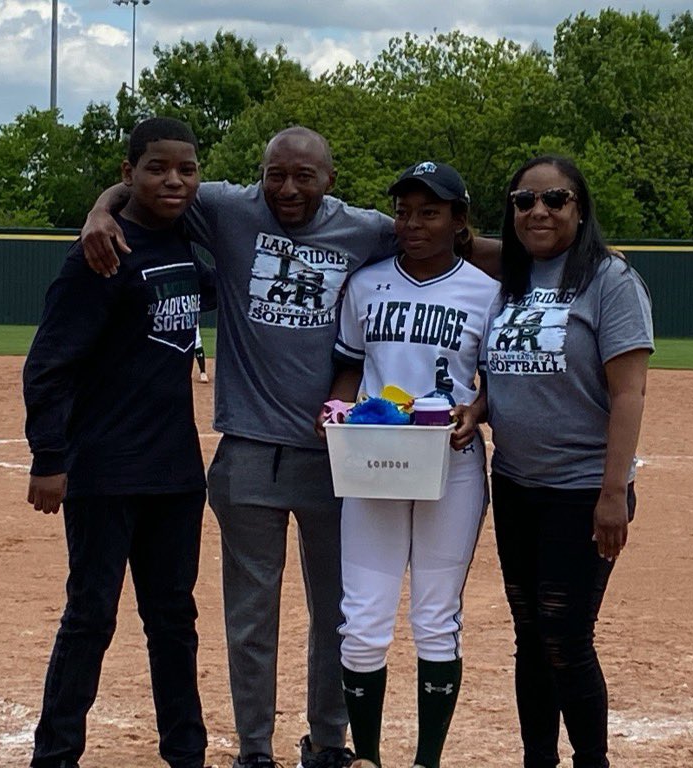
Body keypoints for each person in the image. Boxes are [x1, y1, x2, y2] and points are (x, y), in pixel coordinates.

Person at [81, 126, 501, 768]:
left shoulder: (365, 229)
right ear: (260, 173)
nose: (288, 188)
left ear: (329, 179)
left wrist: (553, 251)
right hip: (249, 449)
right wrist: (99, 209)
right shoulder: (226, 208)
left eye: (304, 176)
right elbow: (151, 186)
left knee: (338, 611)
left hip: (340, 453)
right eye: (275, 174)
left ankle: (329, 743)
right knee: (251, 619)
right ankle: (255, 749)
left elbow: (448, 241)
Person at [22, 117, 215, 768]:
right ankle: (55, 755)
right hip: (104, 470)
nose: (173, 179)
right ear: (128, 171)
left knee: (174, 623)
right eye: (157, 167)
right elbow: (49, 364)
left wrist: (101, 205)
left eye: (186, 169)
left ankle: (186, 754)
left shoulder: (189, 241)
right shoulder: (100, 253)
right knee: (90, 618)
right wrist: (50, 458)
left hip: (176, 473)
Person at [317, 161, 500, 768]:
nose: (412, 223)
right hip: (374, 458)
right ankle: (366, 756)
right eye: (403, 211)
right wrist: (339, 406)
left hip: (452, 460)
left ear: (457, 220)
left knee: (435, 616)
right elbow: (349, 363)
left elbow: (499, 382)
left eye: (429, 212)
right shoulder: (366, 283)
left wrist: (478, 409)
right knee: (364, 620)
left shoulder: (485, 291)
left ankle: (426, 761)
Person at [483, 155, 653, 768]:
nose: (539, 212)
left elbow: (628, 393)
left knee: (564, 639)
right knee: (530, 639)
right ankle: (538, 761)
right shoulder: (514, 278)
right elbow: (503, 366)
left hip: (582, 489)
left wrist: (613, 492)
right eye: (524, 200)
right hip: (516, 484)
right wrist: (481, 405)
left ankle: (591, 761)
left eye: (555, 200)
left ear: (580, 210)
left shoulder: (610, 280)